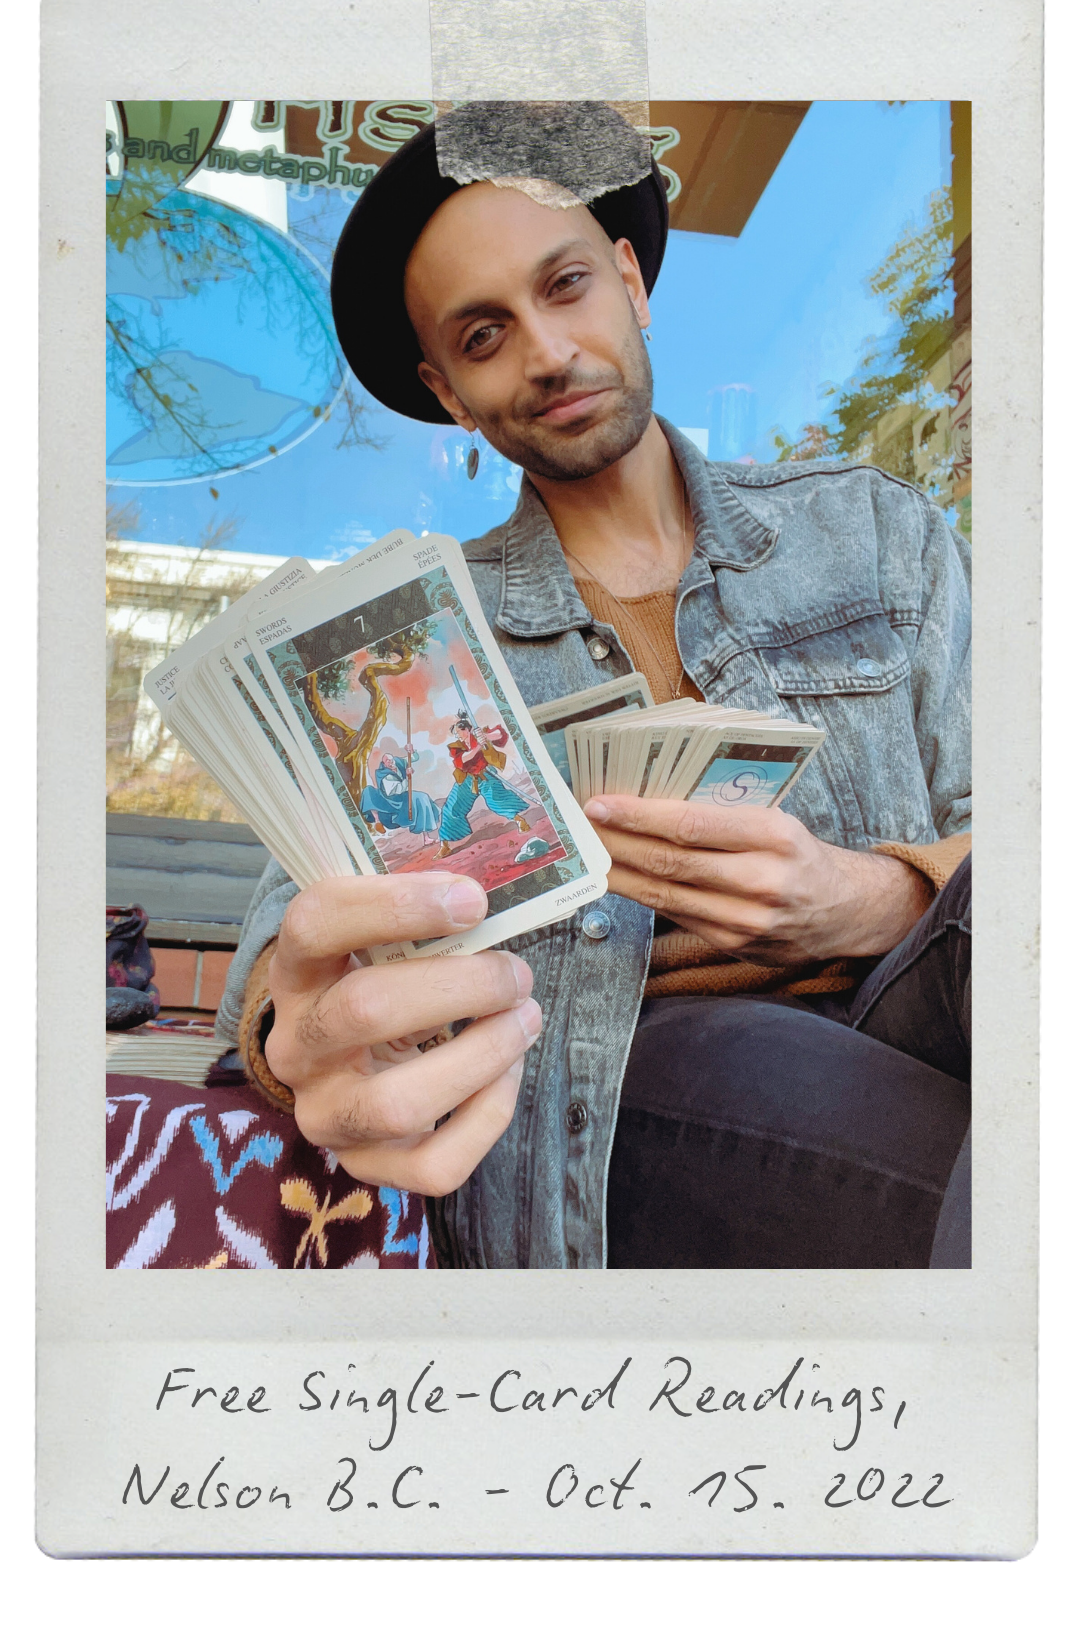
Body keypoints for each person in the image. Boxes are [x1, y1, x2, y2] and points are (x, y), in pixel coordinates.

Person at [216, 103, 971, 1270]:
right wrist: (299, 1023)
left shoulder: (874, 529)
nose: (546, 350)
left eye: (564, 285)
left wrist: (872, 899)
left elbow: (1015, 832)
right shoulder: (416, 638)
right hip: (645, 1074)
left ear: (631, 280)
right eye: (482, 337)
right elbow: (285, 946)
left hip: (945, 1000)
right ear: (449, 393)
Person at [436, 714, 532, 857]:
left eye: (459, 732)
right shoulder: (457, 746)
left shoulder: (480, 733)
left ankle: (520, 821)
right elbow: (462, 759)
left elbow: (501, 734)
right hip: (467, 779)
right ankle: (445, 845)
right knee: (452, 806)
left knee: (497, 800)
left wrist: (486, 736)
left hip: (485, 775)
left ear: (466, 729)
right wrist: (478, 747)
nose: (458, 736)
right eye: (456, 734)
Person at [359, 748, 439, 840]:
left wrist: (411, 751)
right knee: (419, 800)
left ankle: (427, 836)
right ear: (384, 764)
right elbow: (396, 791)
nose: (390, 762)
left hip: (403, 794)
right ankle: (426, 837)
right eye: (387, 761)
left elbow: (413, 758)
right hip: (394, 800)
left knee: (423, 797)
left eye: (391, 759)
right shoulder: (385, 776)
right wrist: (407, 777)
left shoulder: (398, 762)